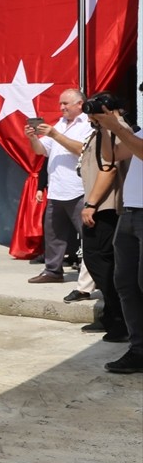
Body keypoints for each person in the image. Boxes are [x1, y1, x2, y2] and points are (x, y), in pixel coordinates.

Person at [90, 103, 143, 374]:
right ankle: (138, 351)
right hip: (131, 211)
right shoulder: (141, 131)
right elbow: (112, 157)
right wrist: (104, 130)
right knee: (125, 283)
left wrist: (117, 128)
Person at [25, 89, 92, 283]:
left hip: (78, 189)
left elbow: (83, 149)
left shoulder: (88, 123)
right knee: (54, 235)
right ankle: (52, 270)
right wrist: (32, 138)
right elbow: (42, 150)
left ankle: (92, 275)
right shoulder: (60, 123)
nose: (61, 107)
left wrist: (55, 135)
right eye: (60, 104)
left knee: (87, 235)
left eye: (66, 104)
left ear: (79, 104)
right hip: (56, 189)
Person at [75, 119, 127, 342]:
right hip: (98, 205)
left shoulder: (115, 130)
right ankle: (110, 314)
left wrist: (92, 204)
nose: (89, 115)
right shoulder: (100, 132)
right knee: (96, 260)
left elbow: (110, 167)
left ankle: (120, 320)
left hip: (106, 206)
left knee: (103, 262)